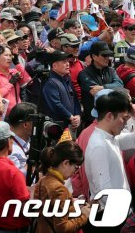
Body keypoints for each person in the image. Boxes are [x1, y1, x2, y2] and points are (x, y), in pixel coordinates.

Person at [84, 90, 135, 221]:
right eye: (123, 118)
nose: (125, 123)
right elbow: (104, 192)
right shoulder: (99, 145)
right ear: (109, 116)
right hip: (113, 217)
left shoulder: (111, 138)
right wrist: (126, 216)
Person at [34, 141, 90, 232]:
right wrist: (84, 216)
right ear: (65, 163)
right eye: (76, 167)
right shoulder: (59, 189)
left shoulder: (43, 180)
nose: (76, 172)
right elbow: (62, 228)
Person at [78, 41, 124, 128]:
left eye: (108, 55)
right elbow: (96, 92)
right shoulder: (84, 73)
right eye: (104, 55)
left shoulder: (111, 70)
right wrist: (114, 88)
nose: (108, 58)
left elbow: (120, 85)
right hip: (92, 120)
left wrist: (104, 87)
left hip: (110, 118)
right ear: (94, 56)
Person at [42, 50, 83, 130]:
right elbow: (55, 104)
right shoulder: (50, 82)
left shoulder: (66, 78)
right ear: (54, 65)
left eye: (67, 61)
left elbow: (75, 99)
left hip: (70, 124)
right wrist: (70, 117)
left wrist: (78, 115)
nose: (68, 64)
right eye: (64, 62)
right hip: (58, 126)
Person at [7, 103, 37, 176]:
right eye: (35, 122)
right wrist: (31, 165)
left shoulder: (26, 142)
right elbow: (15, 179)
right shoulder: (10, 150)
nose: (36, 125)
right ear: (25, 124)